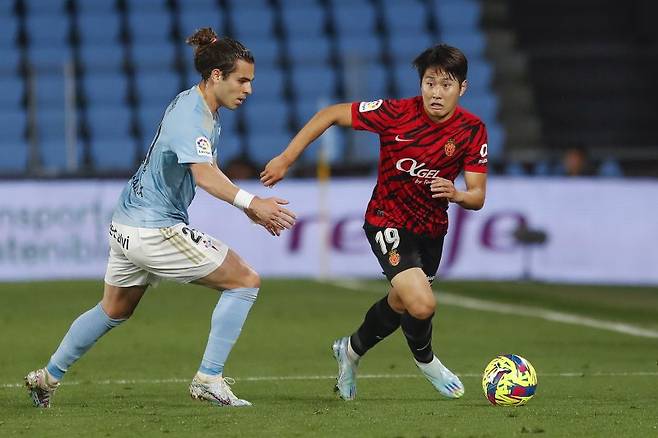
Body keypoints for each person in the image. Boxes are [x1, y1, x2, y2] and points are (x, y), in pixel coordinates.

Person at [24, 28, 296, 408]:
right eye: (242, 80)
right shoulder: (192, 115)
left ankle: (47, 377)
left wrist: (248, 209)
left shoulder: (196, 103)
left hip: (126, 222)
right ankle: (209, 378)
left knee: (114, 309)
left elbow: (206, 166)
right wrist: (253, 202)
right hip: (153, 228)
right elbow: (202, 175)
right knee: (244, 281)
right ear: (217, 76)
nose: (248, 89)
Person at [261, 44, 487, 400]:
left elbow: (477, 196)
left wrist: (457, 194)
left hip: (431, 230)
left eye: (446, 85)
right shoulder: (395, 113)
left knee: (401, 302)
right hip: (386, 219)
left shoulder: (472, 130)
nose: (436, 93)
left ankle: (349, 351)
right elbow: (332, 113)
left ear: (462, 88)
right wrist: (287, 158)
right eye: (430, 83)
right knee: (423, 305)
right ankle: (426, 361)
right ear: (421, 84)